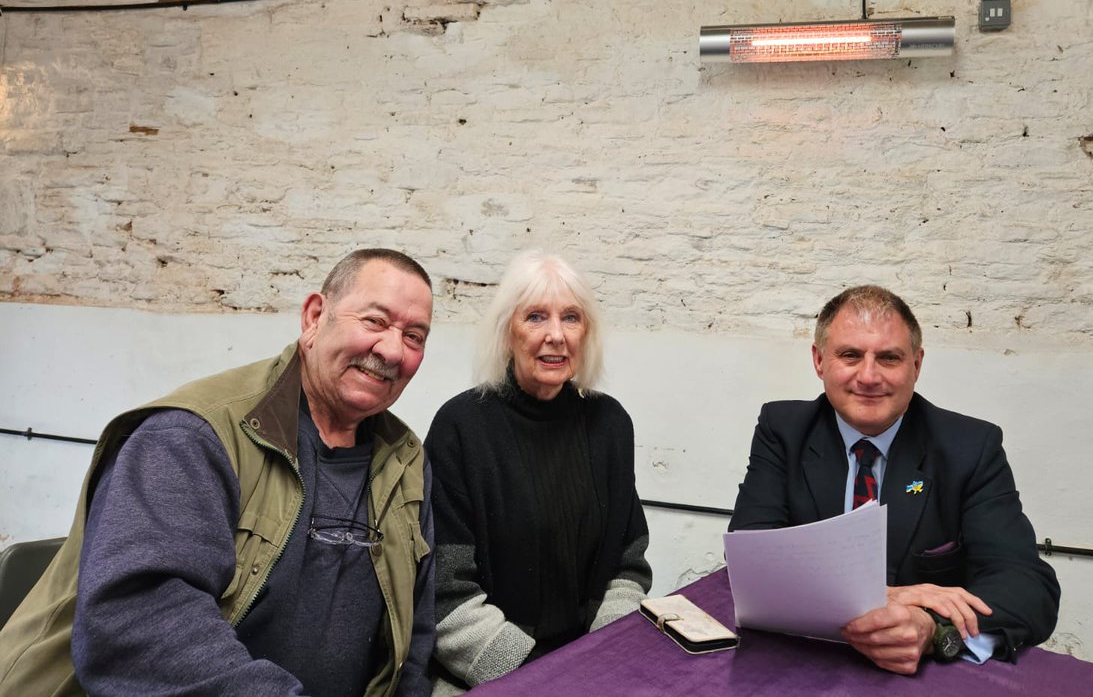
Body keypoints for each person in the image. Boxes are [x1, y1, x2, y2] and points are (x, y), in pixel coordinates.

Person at [0, 248, 438, 697]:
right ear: (313, 317)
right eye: (375, 321)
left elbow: (415, 640)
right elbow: (139, 620)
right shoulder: (190, 435)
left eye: (414, 336)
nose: (391, 350)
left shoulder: (406, 462)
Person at [729, 285, 1059, 675]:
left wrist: (933, 629)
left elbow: (1028, 588)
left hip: (921, 675)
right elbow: (752, 561)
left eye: (889, 358)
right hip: (805, 664)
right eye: (850, 355)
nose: (868, 376)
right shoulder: (783, 430)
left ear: (916, 365)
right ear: (819, 361)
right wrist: (891, 596)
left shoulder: (970, 448)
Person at [424, 250, 651, 692]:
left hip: (590, 669)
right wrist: (545, 677)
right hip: (490, 676)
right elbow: (444, 592)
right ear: (507, 331)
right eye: (535, 317)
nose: (556, 336)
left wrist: (604, 655)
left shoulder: (610, 425)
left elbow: (628, 561)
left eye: (571, 317)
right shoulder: (461, 427)